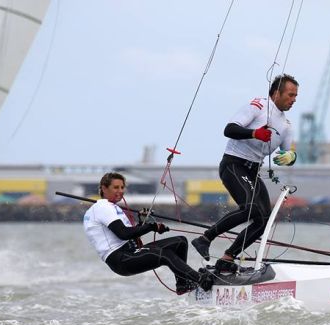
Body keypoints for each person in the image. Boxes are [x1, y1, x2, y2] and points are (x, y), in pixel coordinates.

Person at [191, 74, 299, 273]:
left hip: (253, 171)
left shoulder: (286, 125)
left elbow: (289, 151)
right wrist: (254, 133)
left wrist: (291, 157)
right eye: (290, 95)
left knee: (263, 219)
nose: (294, 100)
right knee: (250, 208)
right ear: (276, 93)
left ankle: (228, 258)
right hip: (233, 165)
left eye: (296, 96)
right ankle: (204, 238)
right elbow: (229, 129)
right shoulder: (257, 106)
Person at [84, 172, 213, 294]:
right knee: (165, 255)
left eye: (122, 187)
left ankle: (183, 284)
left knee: (180, 242)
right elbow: (123, 234)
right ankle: (201, 280)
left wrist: (142, 223)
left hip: (130, 252)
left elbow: (131, 235)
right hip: (120, 259)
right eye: (115, 187)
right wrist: (150, 226)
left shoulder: (111, 207)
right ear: (104, 188)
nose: (120, 191)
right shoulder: (103, 207)